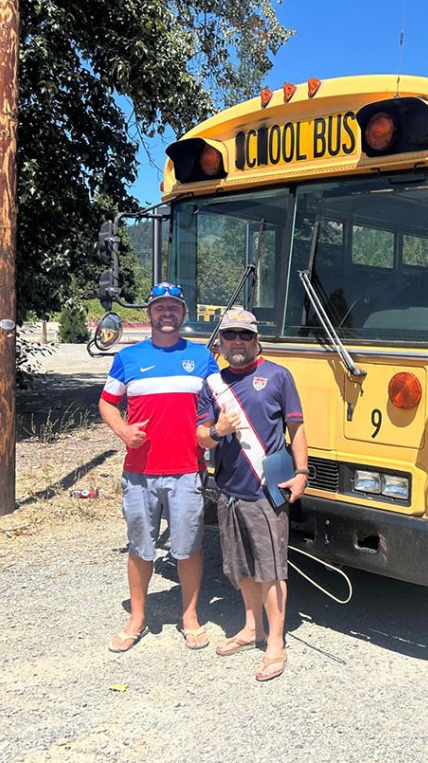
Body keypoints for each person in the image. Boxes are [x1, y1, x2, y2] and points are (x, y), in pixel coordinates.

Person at [98, 283, 218, 653]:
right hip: (139, 473)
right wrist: (122, 429)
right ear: (149, 314)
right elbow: (106, 402)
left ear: (183, 314)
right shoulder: (128, 358)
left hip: (186, 471)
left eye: (174, 308)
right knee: (141, 547)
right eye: (160, 307)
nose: (167, 313)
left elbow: (224, 400)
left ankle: (190, 616)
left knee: (188, 547)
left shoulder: (202, 358)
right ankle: (137, 618)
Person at [196, 307, 308, 681]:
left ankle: (275, 641)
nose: (238, 342)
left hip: (266, 491)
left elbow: (297, 430)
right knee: (242, 567)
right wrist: (217, 431)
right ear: (222, 342)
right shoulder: (212, 384)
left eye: (245, 335)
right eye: (230, 336)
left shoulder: (278, 376)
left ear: (256, 339)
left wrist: (303, 472)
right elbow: (200, 435)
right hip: (229, 490)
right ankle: (251, 627)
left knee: (272, 569)